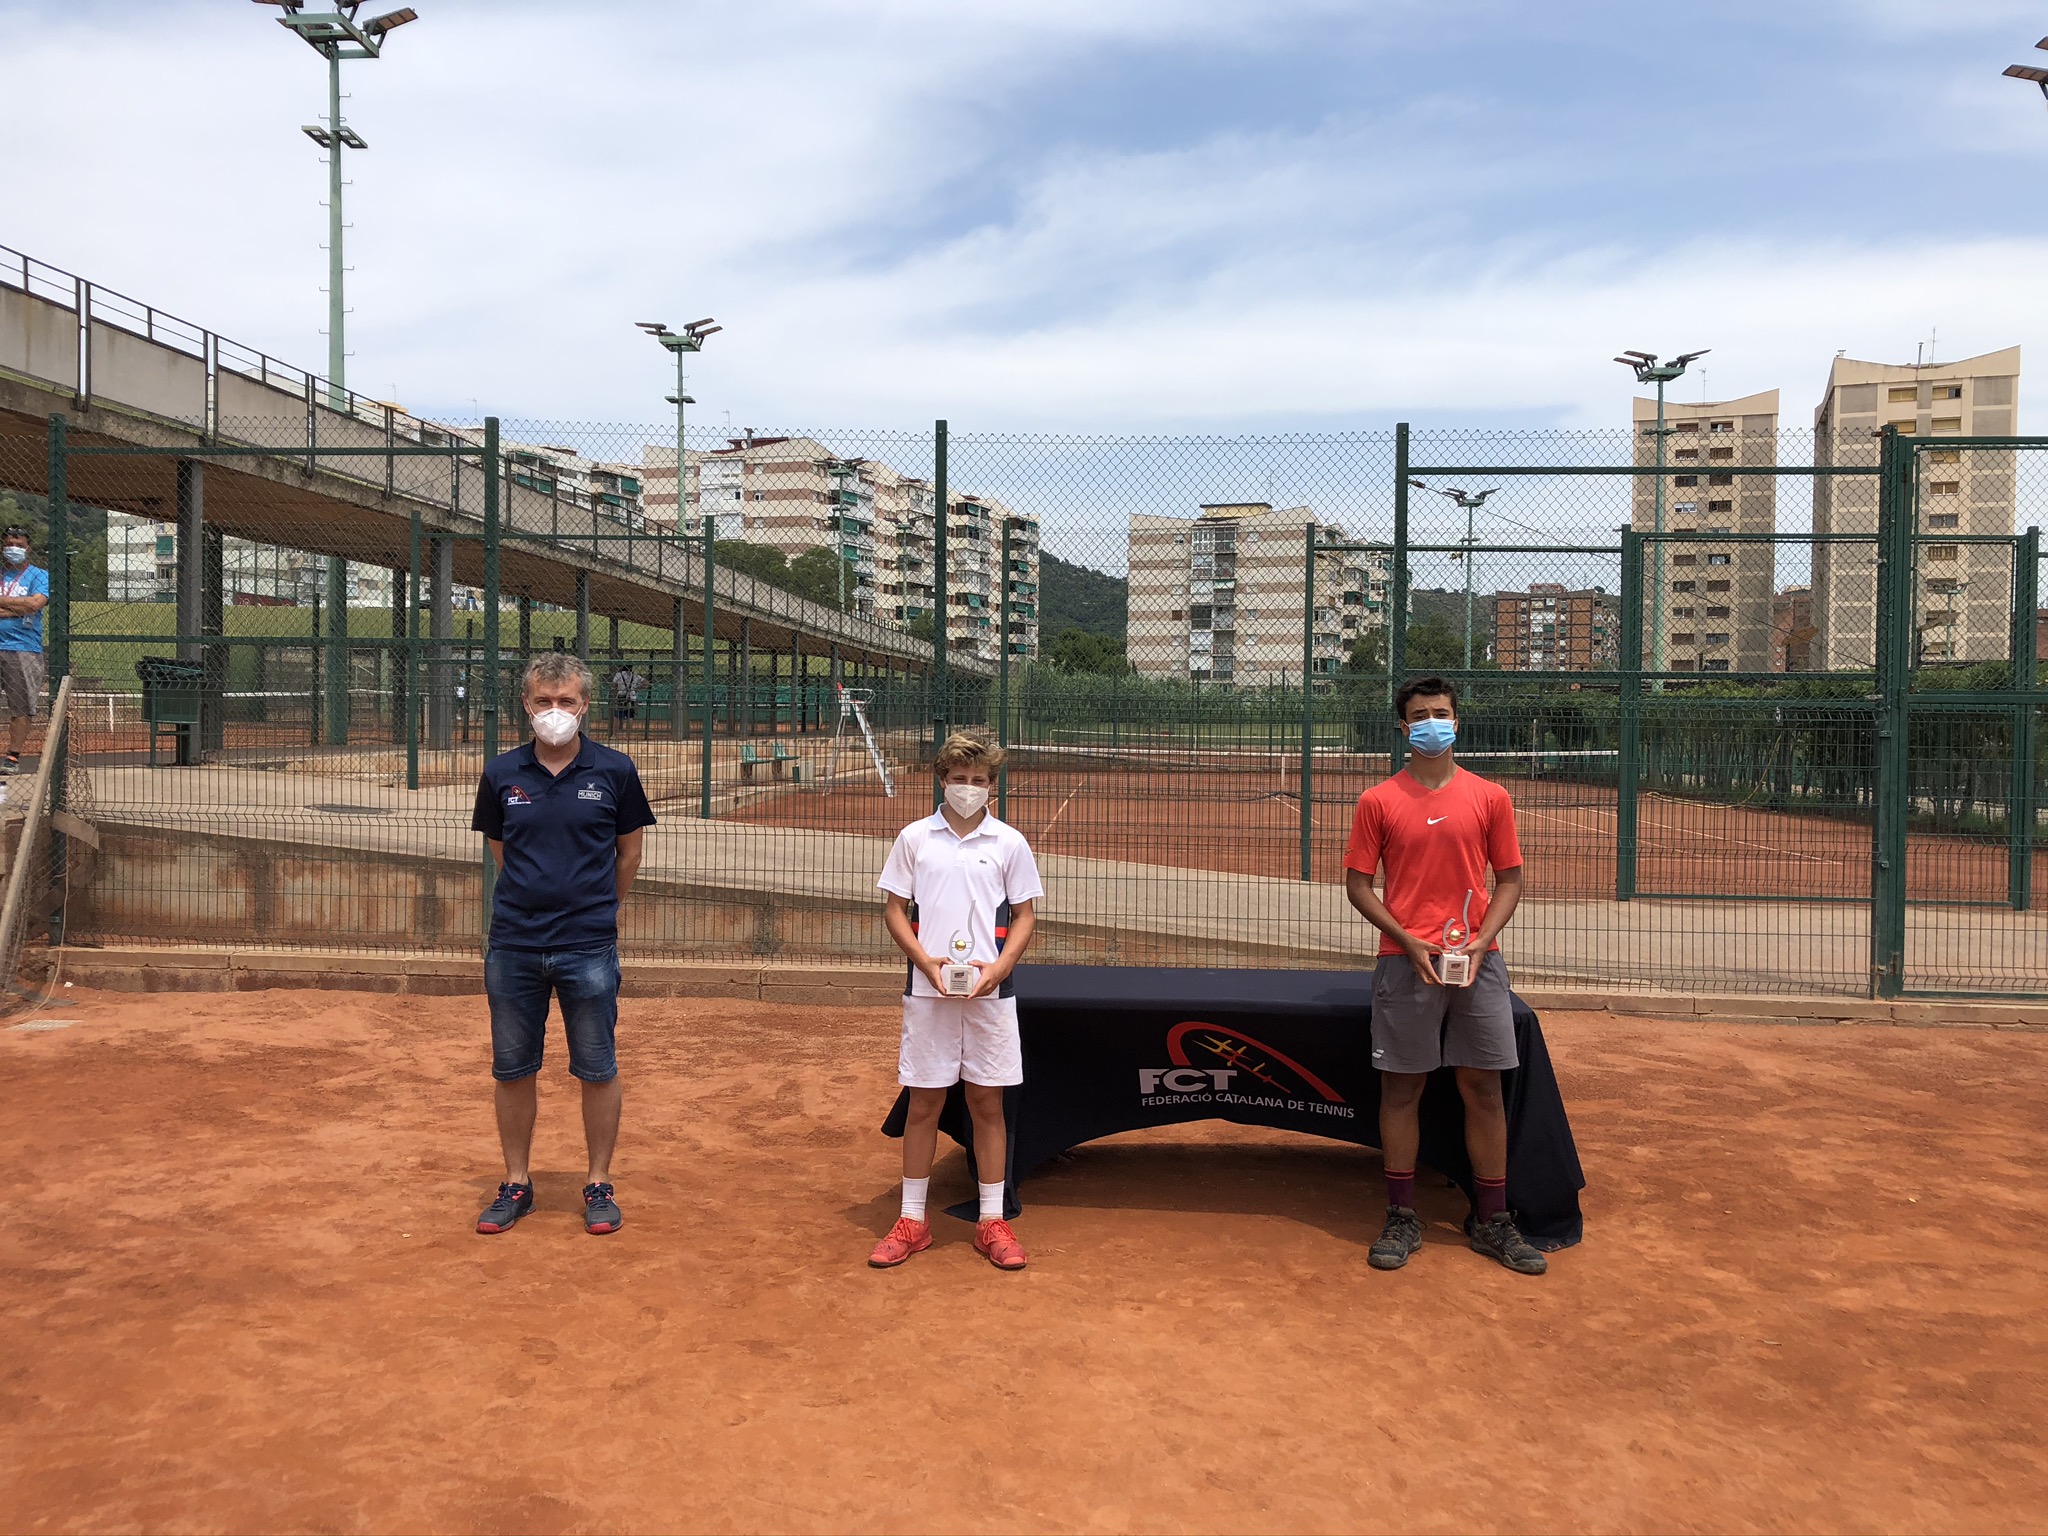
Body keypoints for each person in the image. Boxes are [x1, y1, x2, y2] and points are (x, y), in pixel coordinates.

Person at [1342, 676, 1547, 1276]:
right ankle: (1402, 1215)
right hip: (1403, 963)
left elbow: (1509, 879)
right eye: (1420, 715)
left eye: (1441, 713)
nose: (1431, 722)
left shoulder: (1490, 797)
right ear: (1403, 727)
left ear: (1456, 722)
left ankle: (1492, 1219)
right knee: (1401, 1090)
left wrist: (1483, 942)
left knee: (1483, 1090)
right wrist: (1406, 940)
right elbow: (1358, 884)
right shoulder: (1378, 800)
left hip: (1477, 964)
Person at [470, 653, 656, 1237]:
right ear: (527, 705)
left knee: (598, 1067)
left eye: (566, 701)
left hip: (587, 945)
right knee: (512, 1068)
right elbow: (502, 853)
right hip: (514, 945)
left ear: (585, 706)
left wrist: (599, 910)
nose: (555, 711)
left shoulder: (615, 770)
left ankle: (598, 1183)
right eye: (544, 701)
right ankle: (516, 1183)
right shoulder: (502, 773)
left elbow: (629, 853)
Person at [869, 731, 1043, 1272]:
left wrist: (1000, 968)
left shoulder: (1009, 842)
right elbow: (895, 909)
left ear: (992, 785)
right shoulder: (915, 838)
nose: (969, 788)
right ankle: (911, 1220)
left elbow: (1025, 915)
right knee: (924, 1103)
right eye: (959, 778)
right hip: (929, 992)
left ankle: (992, 1220)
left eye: (979, 780)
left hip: (991, 995)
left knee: (988, 1103)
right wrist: (926, 962)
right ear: (942, 780)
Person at [0, 525, 50, 776]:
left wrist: (12, 606)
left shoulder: (39, 575)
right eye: (9, 544)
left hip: (23, 648)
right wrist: (19, 607)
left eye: (19, 545)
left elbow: (34, 604)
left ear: (28, 547)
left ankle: (12, 756)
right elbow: (26, 605)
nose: (14, 549)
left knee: (21, 707)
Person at [609, 662, 642, 730]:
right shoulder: (635, 675)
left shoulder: (619, 674)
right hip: (632, 696)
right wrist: (637, 688)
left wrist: (619, 686)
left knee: (617, 716)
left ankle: (614, 734)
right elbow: (646, 683)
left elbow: (614, 685)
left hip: (621, 695)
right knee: (630, 716)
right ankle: (628, 734)